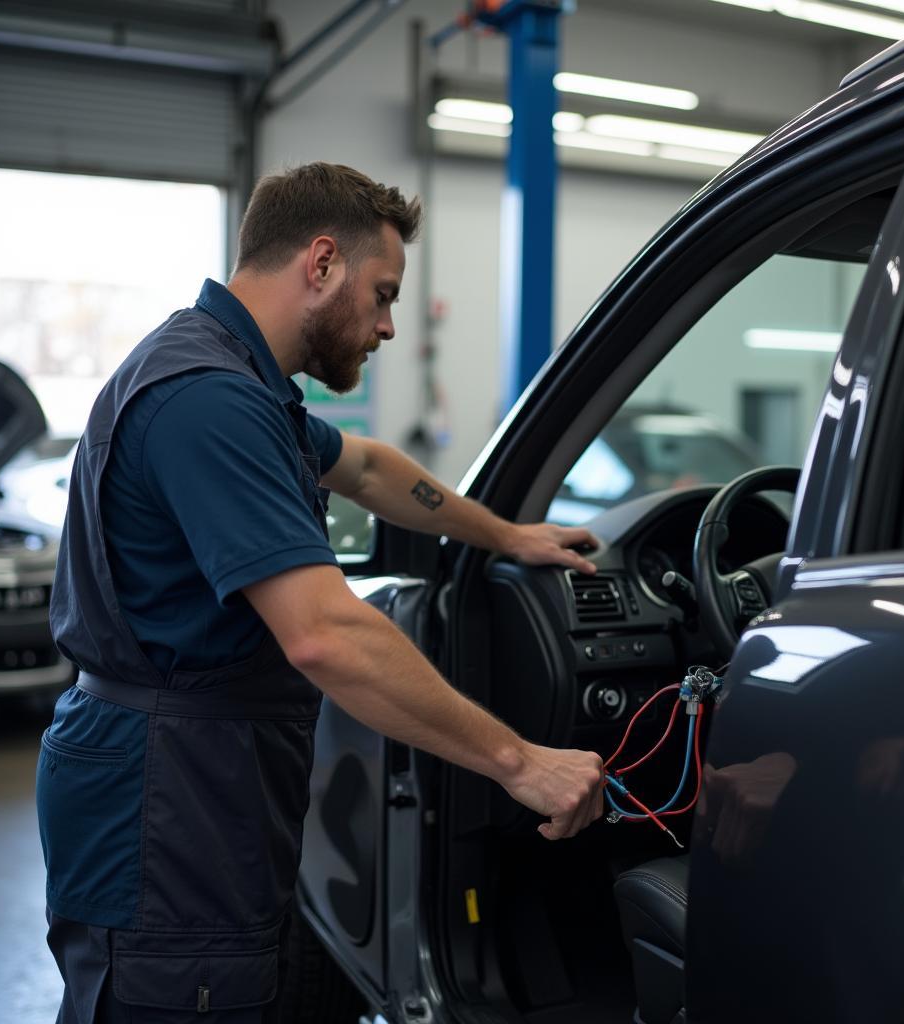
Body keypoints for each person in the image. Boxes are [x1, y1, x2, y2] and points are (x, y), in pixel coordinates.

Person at [37, 162, 606, 1023]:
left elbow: (371, 467)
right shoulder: (210, 400)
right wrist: (522, 764)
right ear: (322, 261)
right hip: (166, 805)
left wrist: (508, 535)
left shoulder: (239, 382)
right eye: (381, 295)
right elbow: (325, 635)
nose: (384, 325)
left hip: (194, 781)